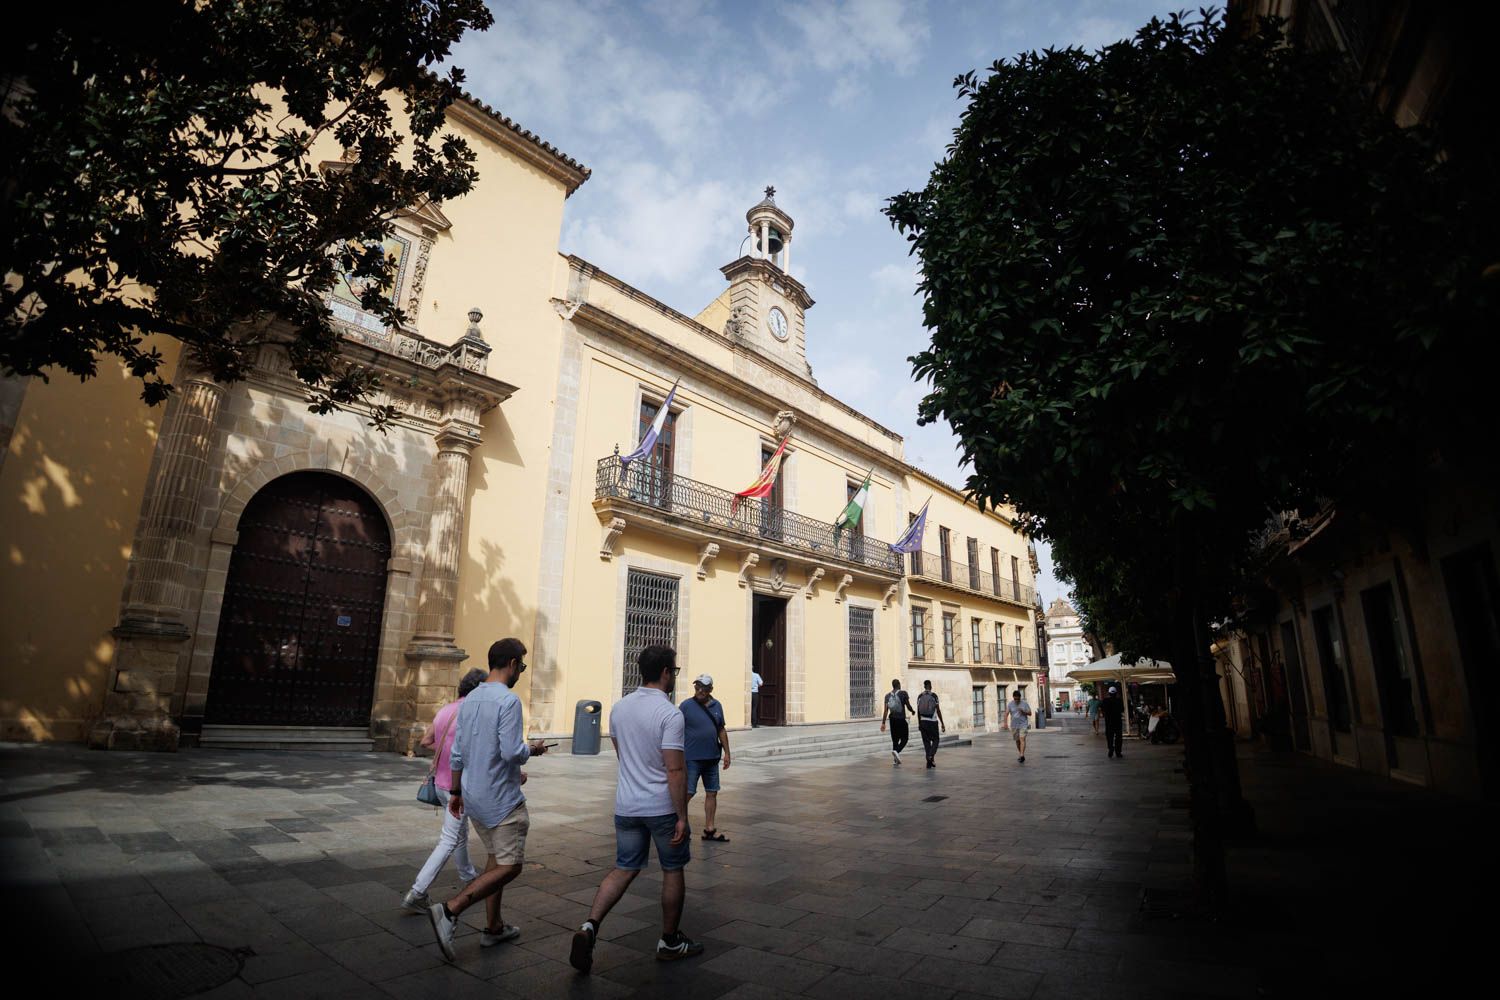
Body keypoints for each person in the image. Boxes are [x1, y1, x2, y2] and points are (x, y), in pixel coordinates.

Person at [570, 645, 702, 974]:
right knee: (673, 870)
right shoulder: (670, 714)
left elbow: (622, 754)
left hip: (627, 804)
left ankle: (589, 926)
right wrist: (682, 815)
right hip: (661, 807)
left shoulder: (619, 709)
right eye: (675, 671)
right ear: (666, 672)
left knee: (624, 868)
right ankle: (670, 940)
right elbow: (674, 770)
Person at [427, 639, 550, 961]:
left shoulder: (470, 699)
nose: (521, 672)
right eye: (521, 666)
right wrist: (532, 750)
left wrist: (455, 793)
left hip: (473, 795)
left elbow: (456, 754)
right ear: (510, 664)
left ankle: (494, 927)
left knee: (495, 859)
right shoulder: (508, 702)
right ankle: (451, 910)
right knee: (510, 866)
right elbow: (511, 752)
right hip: (502, 799)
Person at [402, 667, 486, 912]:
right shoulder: (472, 713)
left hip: (440, 784)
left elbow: (426, 741)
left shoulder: (445, 710)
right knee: (449, 839)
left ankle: (469, 876)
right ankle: (417, 892)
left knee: (458, 835)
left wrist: (446, 748)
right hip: (457, 788)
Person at [682, 674, 732, 842]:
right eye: (697, 687)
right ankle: (678, 823)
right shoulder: (686, 706)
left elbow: (721, 730)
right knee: (688, 792)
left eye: (703, 687)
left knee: (712, 792)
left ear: (710, 689)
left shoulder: (717, 706)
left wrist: (727, 753)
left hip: (712, 758)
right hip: (692, 758)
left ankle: (709, 828)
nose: (699, 691)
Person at [879, 678, 915, 765]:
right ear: (899, 684)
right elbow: (908, 705)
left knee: (895, 740)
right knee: (905, 739)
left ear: (892, 685)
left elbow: (885, 711)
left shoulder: (887, 696)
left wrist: (883, 723)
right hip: (901, 719)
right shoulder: (903, 693)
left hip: (892, 720)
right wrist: (912, 711)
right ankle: (897, 751)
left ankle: (895, 760)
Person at [915, 680, 945, 768]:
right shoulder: (934, 696)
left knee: (926, 742)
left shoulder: (920, 696)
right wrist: (942, 722)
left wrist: (919, 723)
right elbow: (938, 710)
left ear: (924, 686)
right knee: (936, 740)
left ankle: (929, 762)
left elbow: (918, 711)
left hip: (923, 721)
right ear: (930, 686)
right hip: (933, 721)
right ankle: (931, 756)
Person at [1005, 688, 1031, 763]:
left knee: (1022, 739)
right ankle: (1020, 754)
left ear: (1020, 697)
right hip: (1014, 725)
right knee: (1017, 741)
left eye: (1017, 699)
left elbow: (1030, 713)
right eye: (1015, 699)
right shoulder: (1010, 704)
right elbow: (1006, 713)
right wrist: (1005, 723)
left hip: (1023, 724)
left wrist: (1024, 712)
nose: (1016, 700)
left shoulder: (1024, 704)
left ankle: (1022, 755)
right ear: (1013, 697)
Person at [1101, 685, 1125, 758]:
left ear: (1109, 693)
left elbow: (1103, 710)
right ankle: (1118, 752)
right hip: (1118, 722)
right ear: (1116, 693)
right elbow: (1122, 710)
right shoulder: (1119, 700)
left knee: (1109, 737)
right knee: (1118, 737)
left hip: (1109, 722)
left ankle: (1111, 748)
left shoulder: (1105, 701)